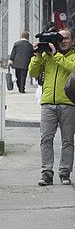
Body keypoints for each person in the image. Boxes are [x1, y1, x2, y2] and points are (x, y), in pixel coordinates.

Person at [28, 27, 75, 186]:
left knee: (67, 140)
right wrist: (36, 56)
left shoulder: (72, 56)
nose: (63, 41)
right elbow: (33, 72)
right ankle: (47, 173)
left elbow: (72, 68)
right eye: (60, 38)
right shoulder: (46, 55)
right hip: (48, 102)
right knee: (45, 138)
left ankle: (65, 173)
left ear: (72, 41)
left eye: (66, 38)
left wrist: (55, 54)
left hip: (68, 103)